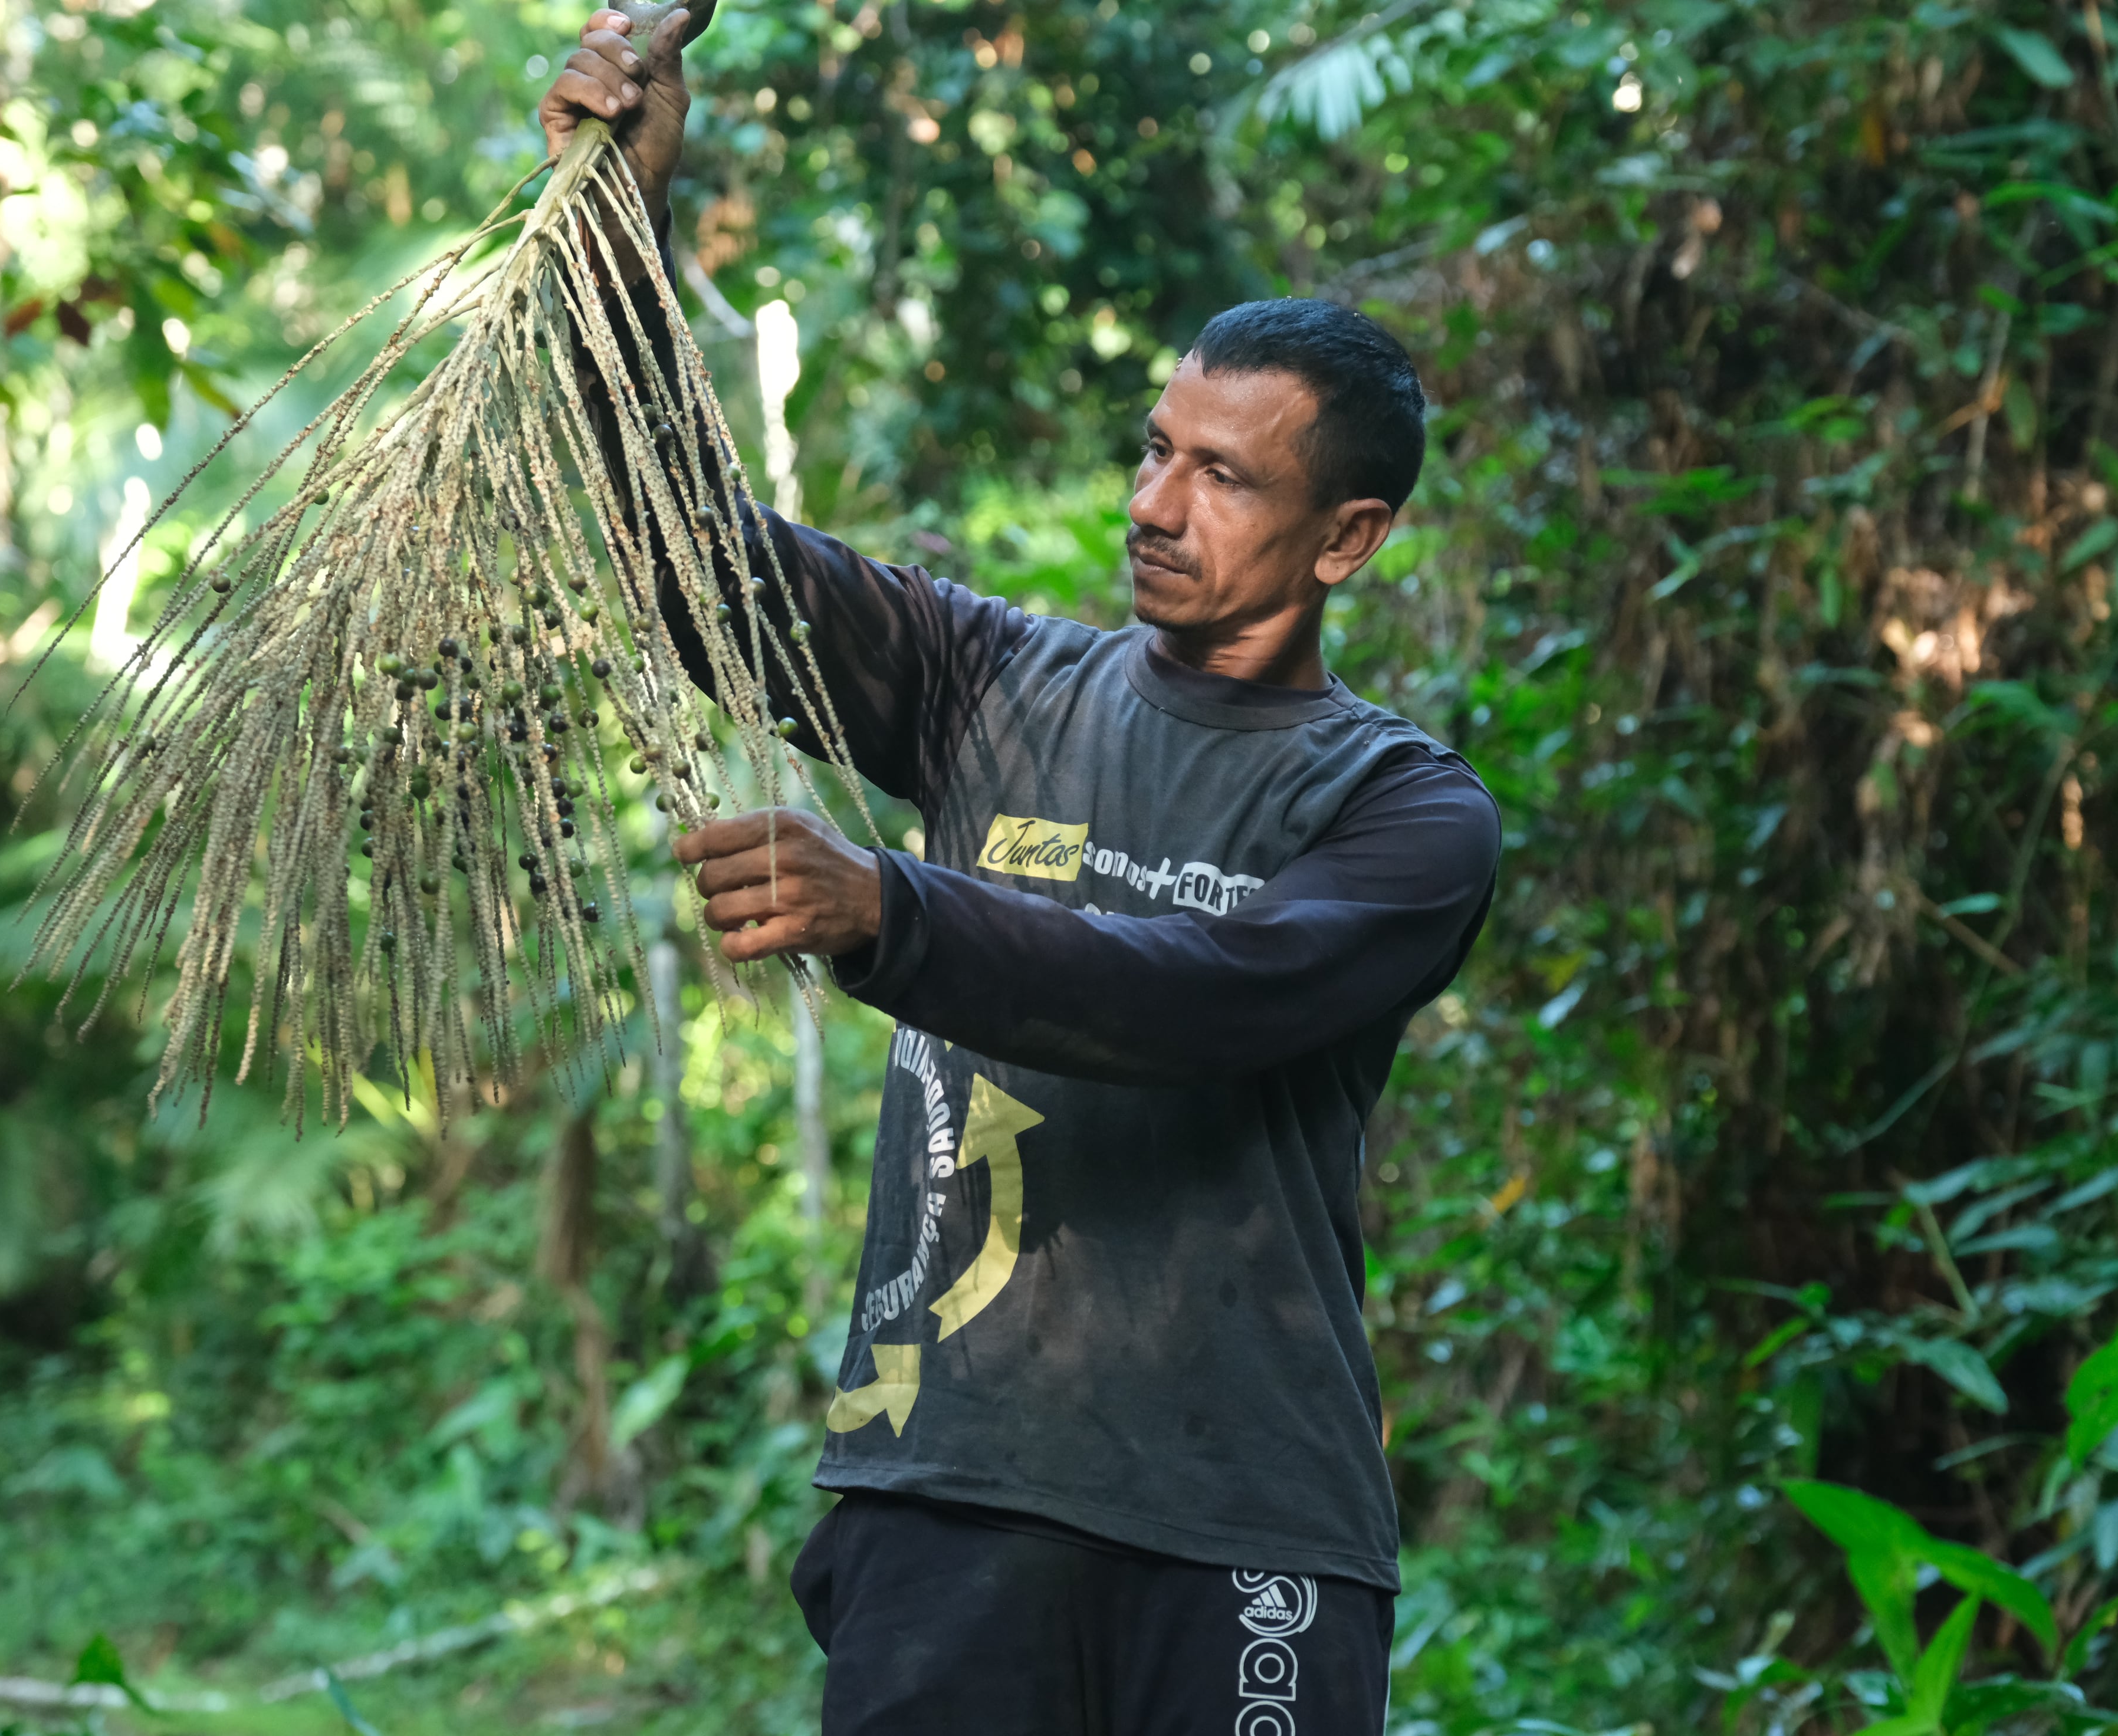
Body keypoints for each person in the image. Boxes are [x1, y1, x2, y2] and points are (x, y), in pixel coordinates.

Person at [543, 15, 1502, 1731]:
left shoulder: (1404, 812)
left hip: (1245, 1528)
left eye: (1223, 475)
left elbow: (1210, 1002)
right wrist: (620, 227)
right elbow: (680, 549)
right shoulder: (983, 678)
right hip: (949, 1495)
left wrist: (895, 912)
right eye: (1156, 448)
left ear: (1348, 538)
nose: (1156, 501)